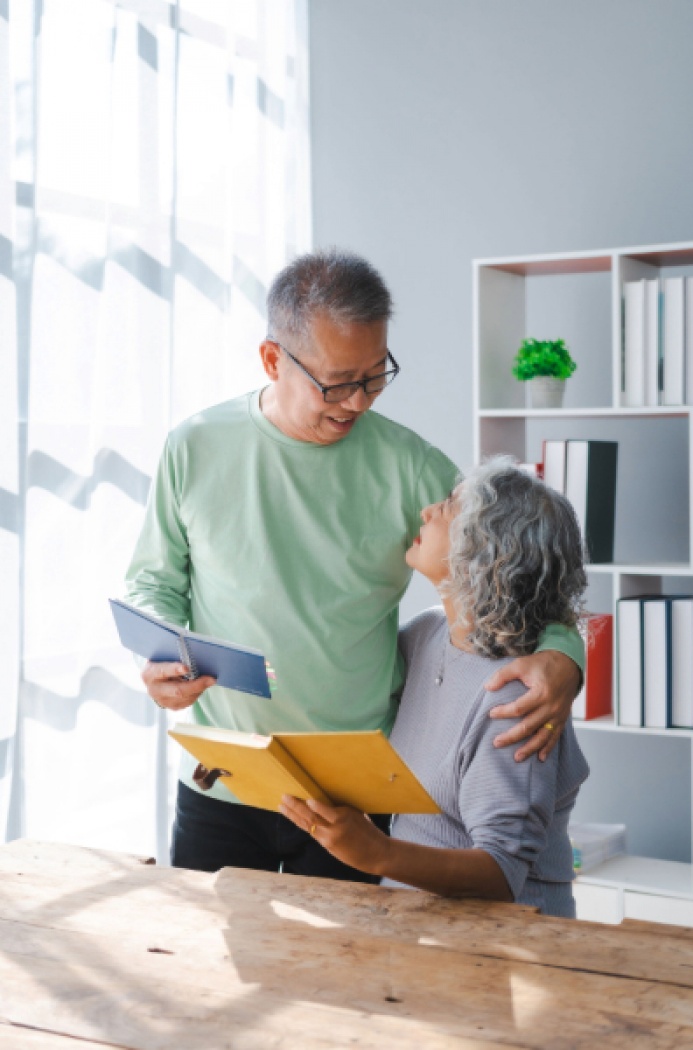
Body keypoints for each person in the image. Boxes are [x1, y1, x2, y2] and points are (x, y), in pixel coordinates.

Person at [124, 249, 585, 881]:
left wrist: (565, 657)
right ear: (271, 360)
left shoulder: (415, 468)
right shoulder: (193, 446)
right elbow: (153, 581)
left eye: (376, 376)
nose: (359, 401)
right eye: (338, 382)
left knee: (352, 977)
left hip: (358, 797)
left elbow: (514, 572)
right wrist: (159, 659)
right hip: (223, 778)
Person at [280, 458, 590, 917]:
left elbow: (502, 874)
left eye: (447, 507)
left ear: (482, 551)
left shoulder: (515, 696)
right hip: (417, 926)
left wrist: (376, 853)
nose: (427, 512)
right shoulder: (426, 636)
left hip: (509, 947)